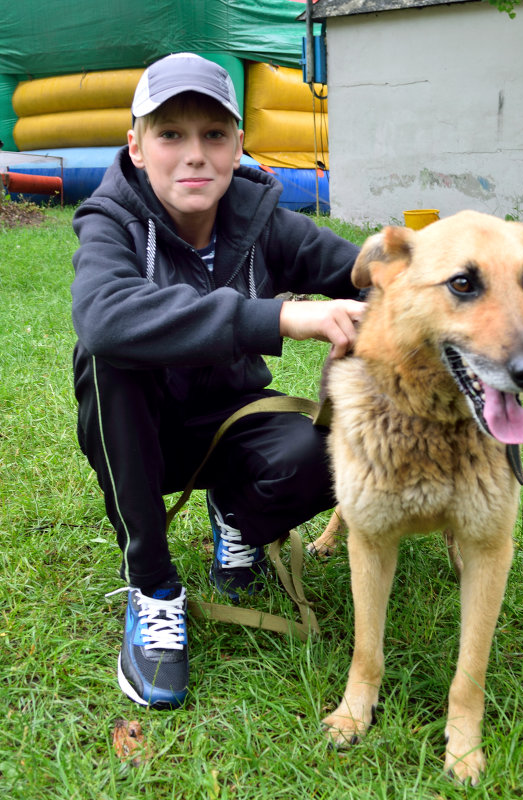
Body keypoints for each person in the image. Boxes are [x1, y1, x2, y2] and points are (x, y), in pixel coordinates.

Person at [70, 53, 363, 710]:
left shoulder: (263, 220)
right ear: (136, 147)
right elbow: (105, 318)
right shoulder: (110, 219)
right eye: (171, 134)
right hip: (145, 433)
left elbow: (358, 270)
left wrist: (419, 263)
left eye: (213, 135)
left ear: (237, 148)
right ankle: (151, 585)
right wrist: (283, 315)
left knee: (330, 454)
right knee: (105, 356)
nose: (194, 155)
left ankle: (238, 519)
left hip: (236, 415)